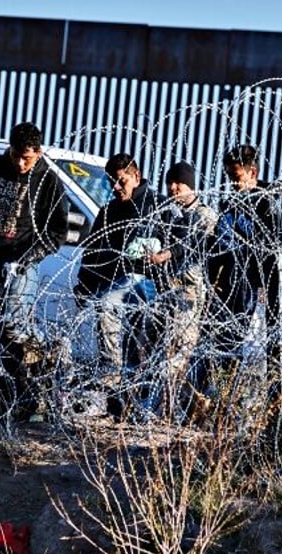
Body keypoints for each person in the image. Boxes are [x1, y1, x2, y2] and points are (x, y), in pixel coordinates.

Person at [0, 121, 68, 421]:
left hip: (22, 263)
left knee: (13, 326)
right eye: (16, 155)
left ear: (38, 153)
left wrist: (29, 256)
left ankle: (43, 366)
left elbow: (58, 231)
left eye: (27, 158)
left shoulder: (48, 179)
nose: (21, 163)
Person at [126, 160, 218, 413]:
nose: (173, 188)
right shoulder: (167, 212)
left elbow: (193, 243)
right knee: (150, 345)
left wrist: (165, 254)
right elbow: (152, 235)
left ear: (189, 184)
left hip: (188, 292)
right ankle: (176, 401)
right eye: (170, 183)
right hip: (165, 290)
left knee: (178, 350)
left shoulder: (204, 215)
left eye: (178, 183)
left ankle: (170, 408)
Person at [202, 144, 282, 406]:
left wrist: (261, 286)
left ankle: (272, 401)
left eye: (236, 178)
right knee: (227, 343)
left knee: (266, 345)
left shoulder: (267, 205)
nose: (233, 184)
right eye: (229, 178)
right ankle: (224, 396)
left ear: (252, 172)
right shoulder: (230, 204)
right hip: (230, 282)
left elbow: (268, 245)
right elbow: (217, 244)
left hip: (258, 284)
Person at [74, 153, 165, 385]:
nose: (115, 187)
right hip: (115, 282)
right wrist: (84, 285)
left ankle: (122, 379)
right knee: (106, 309)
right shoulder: (109, 212)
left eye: (121, 181)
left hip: (148, 283)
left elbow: (179, 245)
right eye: (110, 182)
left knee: (111, 310)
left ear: (136, 176)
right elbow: (92, 253)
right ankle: (114, 376)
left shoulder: (159, 207)